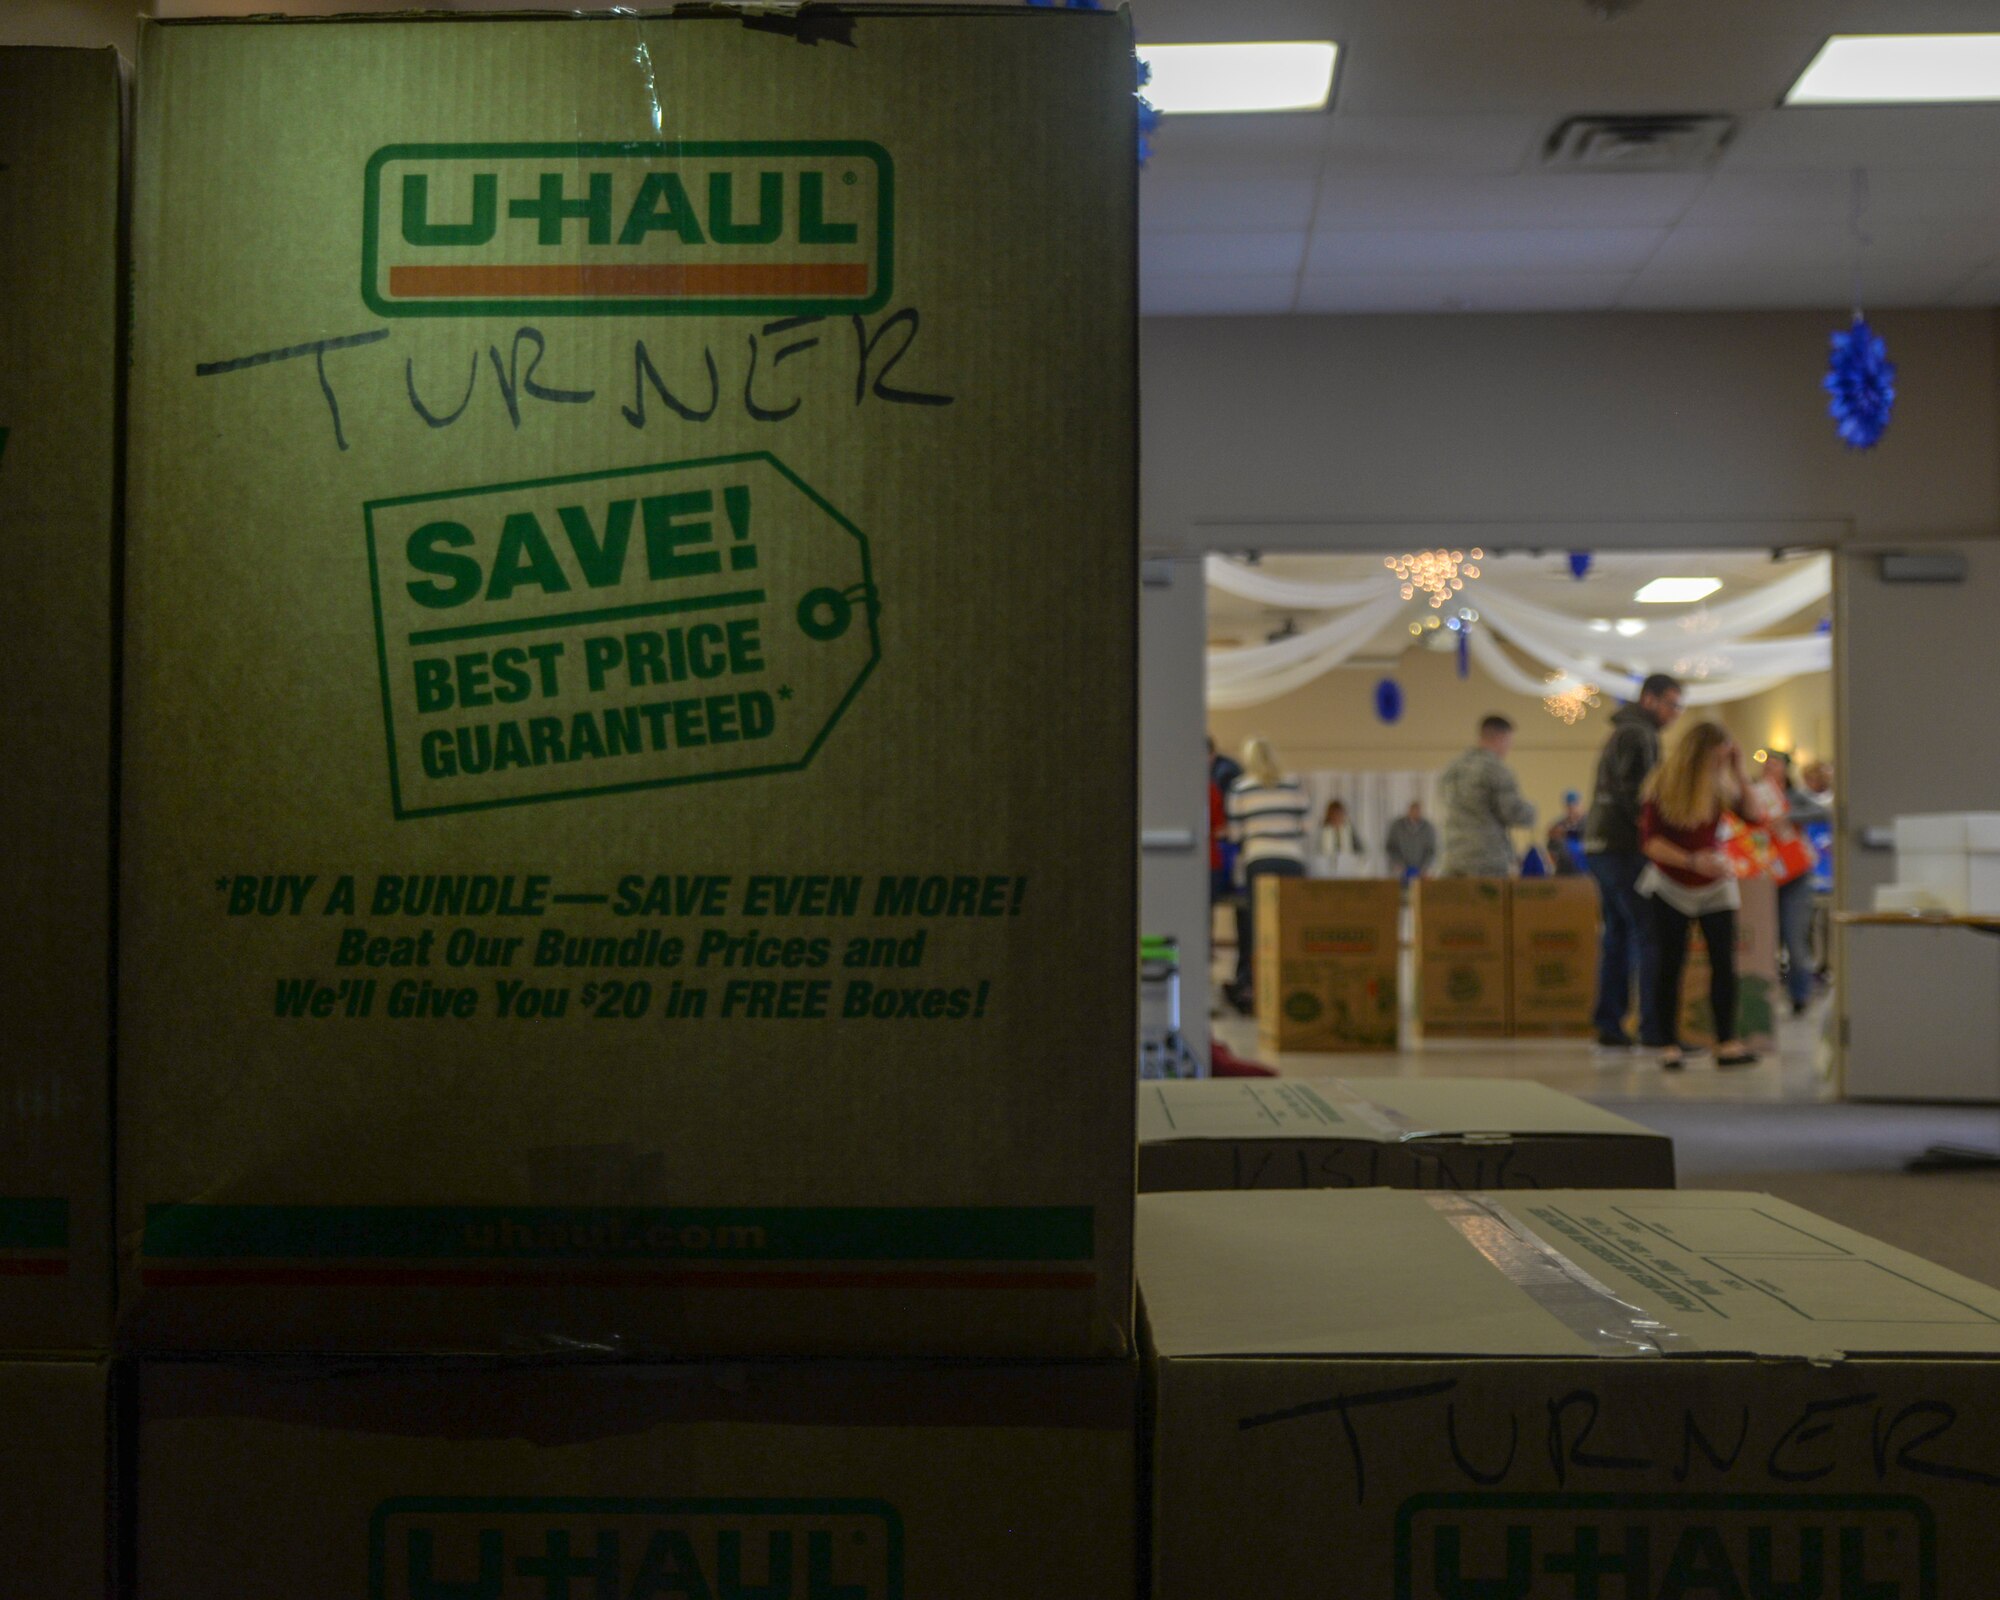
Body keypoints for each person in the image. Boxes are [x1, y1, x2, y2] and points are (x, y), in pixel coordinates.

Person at [1639, 720, 1770, 1070]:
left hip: (1714, 883)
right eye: (1716, 759)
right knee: (1670, 963)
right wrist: (1693, 860)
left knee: (1723, 964)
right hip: (1670, 884)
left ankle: (1726, 1041)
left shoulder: (1721, 785)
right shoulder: (1663, 785)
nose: (1718, 765)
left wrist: (1740, 771)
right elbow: (1651, 843)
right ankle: (1667, 1043)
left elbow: (1756, 816)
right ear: (1698, 755)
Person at [1583, 673, 1684, 1052]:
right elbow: (1636, 795)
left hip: (1603, 845)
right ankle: (1654, 1028)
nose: (1676, 713)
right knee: (1649, 934)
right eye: (1672, 704)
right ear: (1650, 699)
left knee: (1619, 936)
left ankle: (1610, 1023)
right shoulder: (1639, 735)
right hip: (1623, 847)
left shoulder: (1625, 731)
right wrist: (1657, 835)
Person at [1226, 737, 1311, 1013]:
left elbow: (1235, 834)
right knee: (1291, 922)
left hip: (1259, 859)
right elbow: (1306, 828)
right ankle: (1296, 980)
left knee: (1257, 925)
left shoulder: (1241, 788)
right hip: (1291, 860)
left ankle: (1257, 987)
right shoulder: (1293, 784)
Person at [1762, 750, 1825, 1017]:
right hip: (1765, 878)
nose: (1770, 770)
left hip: (1796, 877)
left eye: (1775, 765)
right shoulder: (1756, 795)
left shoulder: (1795, 796)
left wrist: (1789, 817)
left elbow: (1822, 812)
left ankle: (1800, 996)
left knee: (1795, 941)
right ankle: (1767, 998)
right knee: (1768, 942)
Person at [1438, 716, 1536, 877]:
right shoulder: (1495, 769)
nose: (1508, 748)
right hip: (1486, 859)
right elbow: (1512, 812)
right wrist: (1532, 811)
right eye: (1509, 742)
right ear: (1500, 737)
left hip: (1452, 857)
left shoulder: (1452, 769)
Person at [1385, 801, 1437, 880]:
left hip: (1421, 870)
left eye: (1418, 811)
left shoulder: (1428, 828)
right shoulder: (1397, 826)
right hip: (1399, 869)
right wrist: (1398, 863)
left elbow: (1431, 849)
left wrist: (1425, 867)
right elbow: (1390, 847)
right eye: (1413, 811)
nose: (1415, 813)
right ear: (1409, 811)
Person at [1316, 799, 1364, 874]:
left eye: (1339, 813)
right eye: (1334, 814)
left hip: (1348, 868)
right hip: (1326, 869)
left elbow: (1360, 849)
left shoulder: (1349, 830)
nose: (1337, 816)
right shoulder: (1322, 830)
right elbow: (1316, 852)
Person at [1546, 791, 1588, 875]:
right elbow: (1552, 850)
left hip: (1586, 869)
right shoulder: (1558, 826)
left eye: (1575, 805)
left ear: (1581, 805)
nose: (1572, 809)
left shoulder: (1590, 823)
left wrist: (1566, 833)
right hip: (1564, 870)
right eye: (1569, 806)